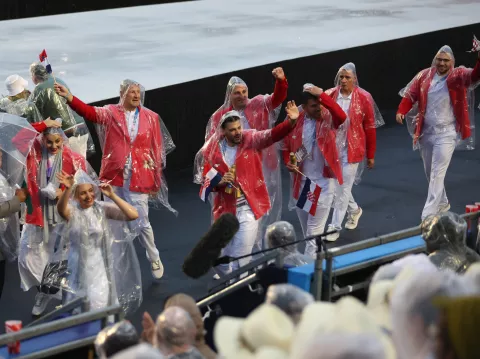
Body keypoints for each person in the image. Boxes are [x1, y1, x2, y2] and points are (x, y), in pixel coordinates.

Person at [54, 79, 176, 279]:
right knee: (112, 221)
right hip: (113, 176)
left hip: (140, 176)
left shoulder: (151, 117)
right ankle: (116, 262)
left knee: (142, 220)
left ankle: (153, 255)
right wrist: (69, 97)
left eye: (138, 92)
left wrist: (155, 180)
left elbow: (156, 150)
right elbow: (89, 112)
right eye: (132, 92)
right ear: (122, 93)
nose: (136, 95)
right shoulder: (111, 112)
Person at [194, 102, 298, 276]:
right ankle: (235, 279)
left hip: (248, 209)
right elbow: (205, 180)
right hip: (225, 211)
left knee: (240, 260)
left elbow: (272, 135)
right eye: (232, 129)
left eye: (239, 127)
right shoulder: (212, 150)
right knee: (215, 258)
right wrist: (218, 182)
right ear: (223, 131)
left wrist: (291, 122)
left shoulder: (251, 139)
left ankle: (238, 288)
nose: (237, 132)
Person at [203, 68, 288, 254]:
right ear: (229, 95)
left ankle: (256, 247)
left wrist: (281, 81)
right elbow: (210, 149)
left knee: (260, 205)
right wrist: (215, 176)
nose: (242, 96)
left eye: (244, 92)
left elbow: (277, 99)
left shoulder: (257, 103)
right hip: (233, 168)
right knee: (229, 206)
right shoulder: (219, 117)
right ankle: (231, 251)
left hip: (262, 164)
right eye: (237, 93)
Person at [396, 46, 480, 220]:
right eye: (439, 59)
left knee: (437, 173)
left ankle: (428, 214)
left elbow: (475, 76)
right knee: (429, 172)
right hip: (426, 132)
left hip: (447, 133)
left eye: (446, 60)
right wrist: (401, 110)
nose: (441, 63)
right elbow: (410, 94)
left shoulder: (458, 75)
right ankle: (442, 202)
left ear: (452, 62)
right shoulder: (425, 75)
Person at [13, 119, 86, 315]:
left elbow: (83, 184)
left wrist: (64, 191)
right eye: (49, 142)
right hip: (37, 213)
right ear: (42, 140)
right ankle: (47, 289)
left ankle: (50, 295)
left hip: (60, 213)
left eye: (57, 142)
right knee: (27, 259)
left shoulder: (72, 157)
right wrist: (43, 123)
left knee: (60, 258)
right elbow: (18, 139)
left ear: (63, 140)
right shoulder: (33, 152)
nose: (53, 146)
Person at [55, 169, 142, 313]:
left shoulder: (101, 208)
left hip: (100, 265)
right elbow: (61, 210)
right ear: (75, 196)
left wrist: (112, 195)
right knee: (78, 305)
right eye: (83, 193)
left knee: (100, 302)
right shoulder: (72, 211)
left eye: (90, 191)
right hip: (77, 264)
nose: (89, 196)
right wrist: (68, 188)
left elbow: (133, 214)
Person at [282, 85, 346, 257]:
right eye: (313, 106)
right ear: (304, 107)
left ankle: (309, 273)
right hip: (303, 183)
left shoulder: (328, 118)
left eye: (320, 105)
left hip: (324, 184)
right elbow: (286, 147)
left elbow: (342, 115)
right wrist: (289, 161)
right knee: (307, 234)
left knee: (313, 232)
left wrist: (322, 95)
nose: (318, 108)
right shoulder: (296, 121)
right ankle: (317, 265)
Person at [324, 63, 383, 241]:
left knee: (342, 189)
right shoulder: (329, 95)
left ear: (354, 79)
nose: (343, 80)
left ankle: (334, 227)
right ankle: (355, 210)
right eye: (341, 77)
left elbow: (370, 127)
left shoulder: (364, 97)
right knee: (335, 187)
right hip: (332, 148)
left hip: (353, 149)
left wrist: (370, 154)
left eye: (347, 77)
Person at [29, 63, 95, 157]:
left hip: (67, 131)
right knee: (82, 162)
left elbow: (32, 111)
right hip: (81, 126)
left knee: (71, 164)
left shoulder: (38, 89)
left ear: (34, 77)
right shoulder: (59, 80)